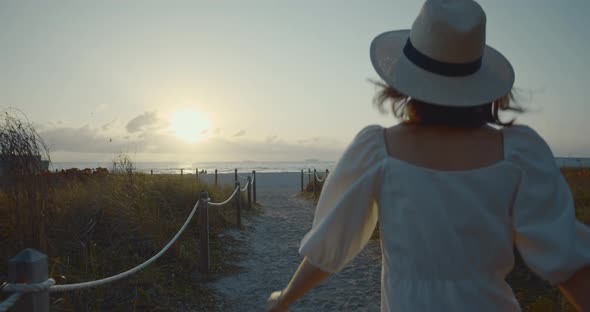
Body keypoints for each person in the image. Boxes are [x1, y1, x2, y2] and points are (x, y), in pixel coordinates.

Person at [266, 0, 590, 311]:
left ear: (403, 84)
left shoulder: (378, 150)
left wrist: (285, 299)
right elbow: (571, 267)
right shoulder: (519, 153)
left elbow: (331, 247)